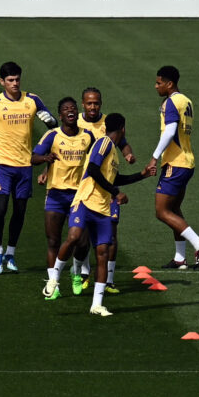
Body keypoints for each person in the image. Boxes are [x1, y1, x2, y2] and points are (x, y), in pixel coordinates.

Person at [44, 113, 151, 316]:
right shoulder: (105, 143)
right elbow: (93, 168)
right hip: (84, 201)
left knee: (102, 254)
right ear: (123, 129)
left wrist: (142, 175)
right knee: (74, 237)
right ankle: (54, 279)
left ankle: (97, 304)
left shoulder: (113, 154)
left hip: (102, 209)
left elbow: (114, 177)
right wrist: (115, 192)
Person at [0, 61, 56, 273]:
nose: (15, 83)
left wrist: (51, 120)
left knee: (20, 211)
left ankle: (11, 253)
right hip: (3, 164)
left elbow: (56, 132)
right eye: (10, 80)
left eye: (17, 79)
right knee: (1, 208)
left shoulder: (32, 100)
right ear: (2, 82)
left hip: (25, 164)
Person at [145, 65, 199, 268]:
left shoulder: (171, 102)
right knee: (174, 208)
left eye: (159, 83)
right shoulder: (186, 100)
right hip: (187, 161)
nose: (156, 86)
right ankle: (180, 258)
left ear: (169, 83)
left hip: (176, 163)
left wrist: (154, 157)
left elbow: (170, 130)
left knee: (161, 210)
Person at [76, 86, 135, 294]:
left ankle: (108, 280)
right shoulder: (76, 122)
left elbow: (123, 143)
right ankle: (83, 273)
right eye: (89, 103)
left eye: (96, 103)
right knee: (82, 235)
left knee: (111, 232)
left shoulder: (109, 123)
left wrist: (128, 154)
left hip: (107, 184)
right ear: (83, 103)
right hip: (84, 185)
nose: (93, 107)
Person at [30, 98, 91, 293]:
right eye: (66, 109)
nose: (70, 111)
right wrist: (46, 159)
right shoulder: (52, 136)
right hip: (56, 195)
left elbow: (98, 160)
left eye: (73, 108)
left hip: (79, 196)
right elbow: (33, 157)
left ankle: (76, 270)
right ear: (60, 115)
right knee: (54, 241)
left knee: (82, 241)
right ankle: (53, 283)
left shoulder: (88, 136)